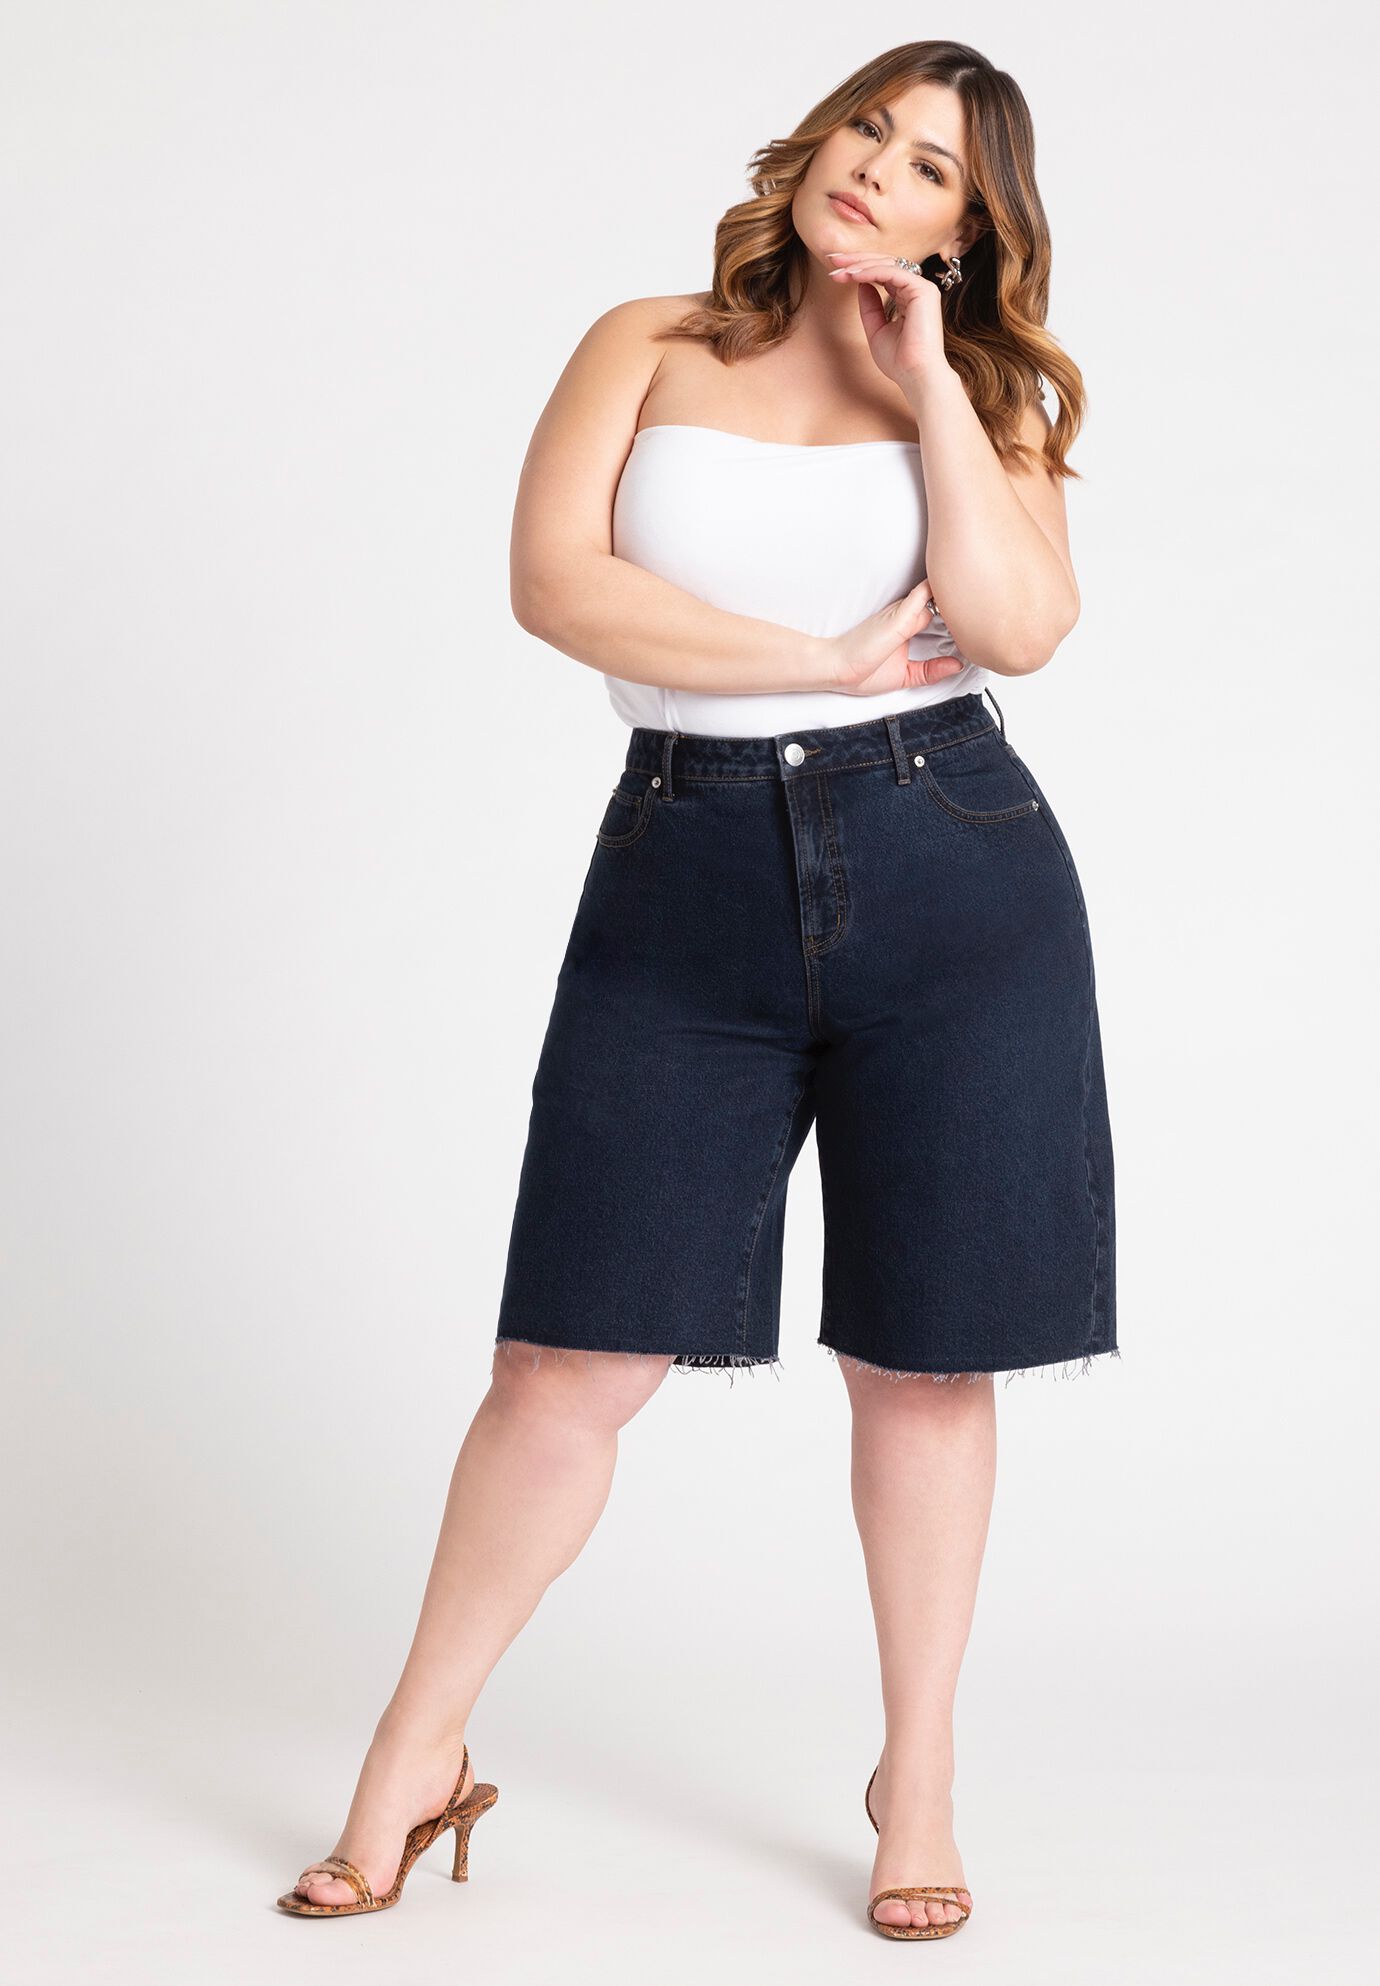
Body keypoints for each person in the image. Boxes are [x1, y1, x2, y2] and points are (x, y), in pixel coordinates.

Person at [276, 38, 1118, 1941]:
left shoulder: (971, 389)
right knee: (566, 1359)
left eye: (928, 176)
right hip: (685, 866)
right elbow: (552, 584)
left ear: (966, 237)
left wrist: (932, 393)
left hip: (956, 876)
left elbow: (1023, 630)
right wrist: (816, 662)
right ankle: (416, 1752)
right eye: (870, 134)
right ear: (816, 141)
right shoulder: (650, 340)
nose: (876, 179)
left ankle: (919, 1777)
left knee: (924, 1356)